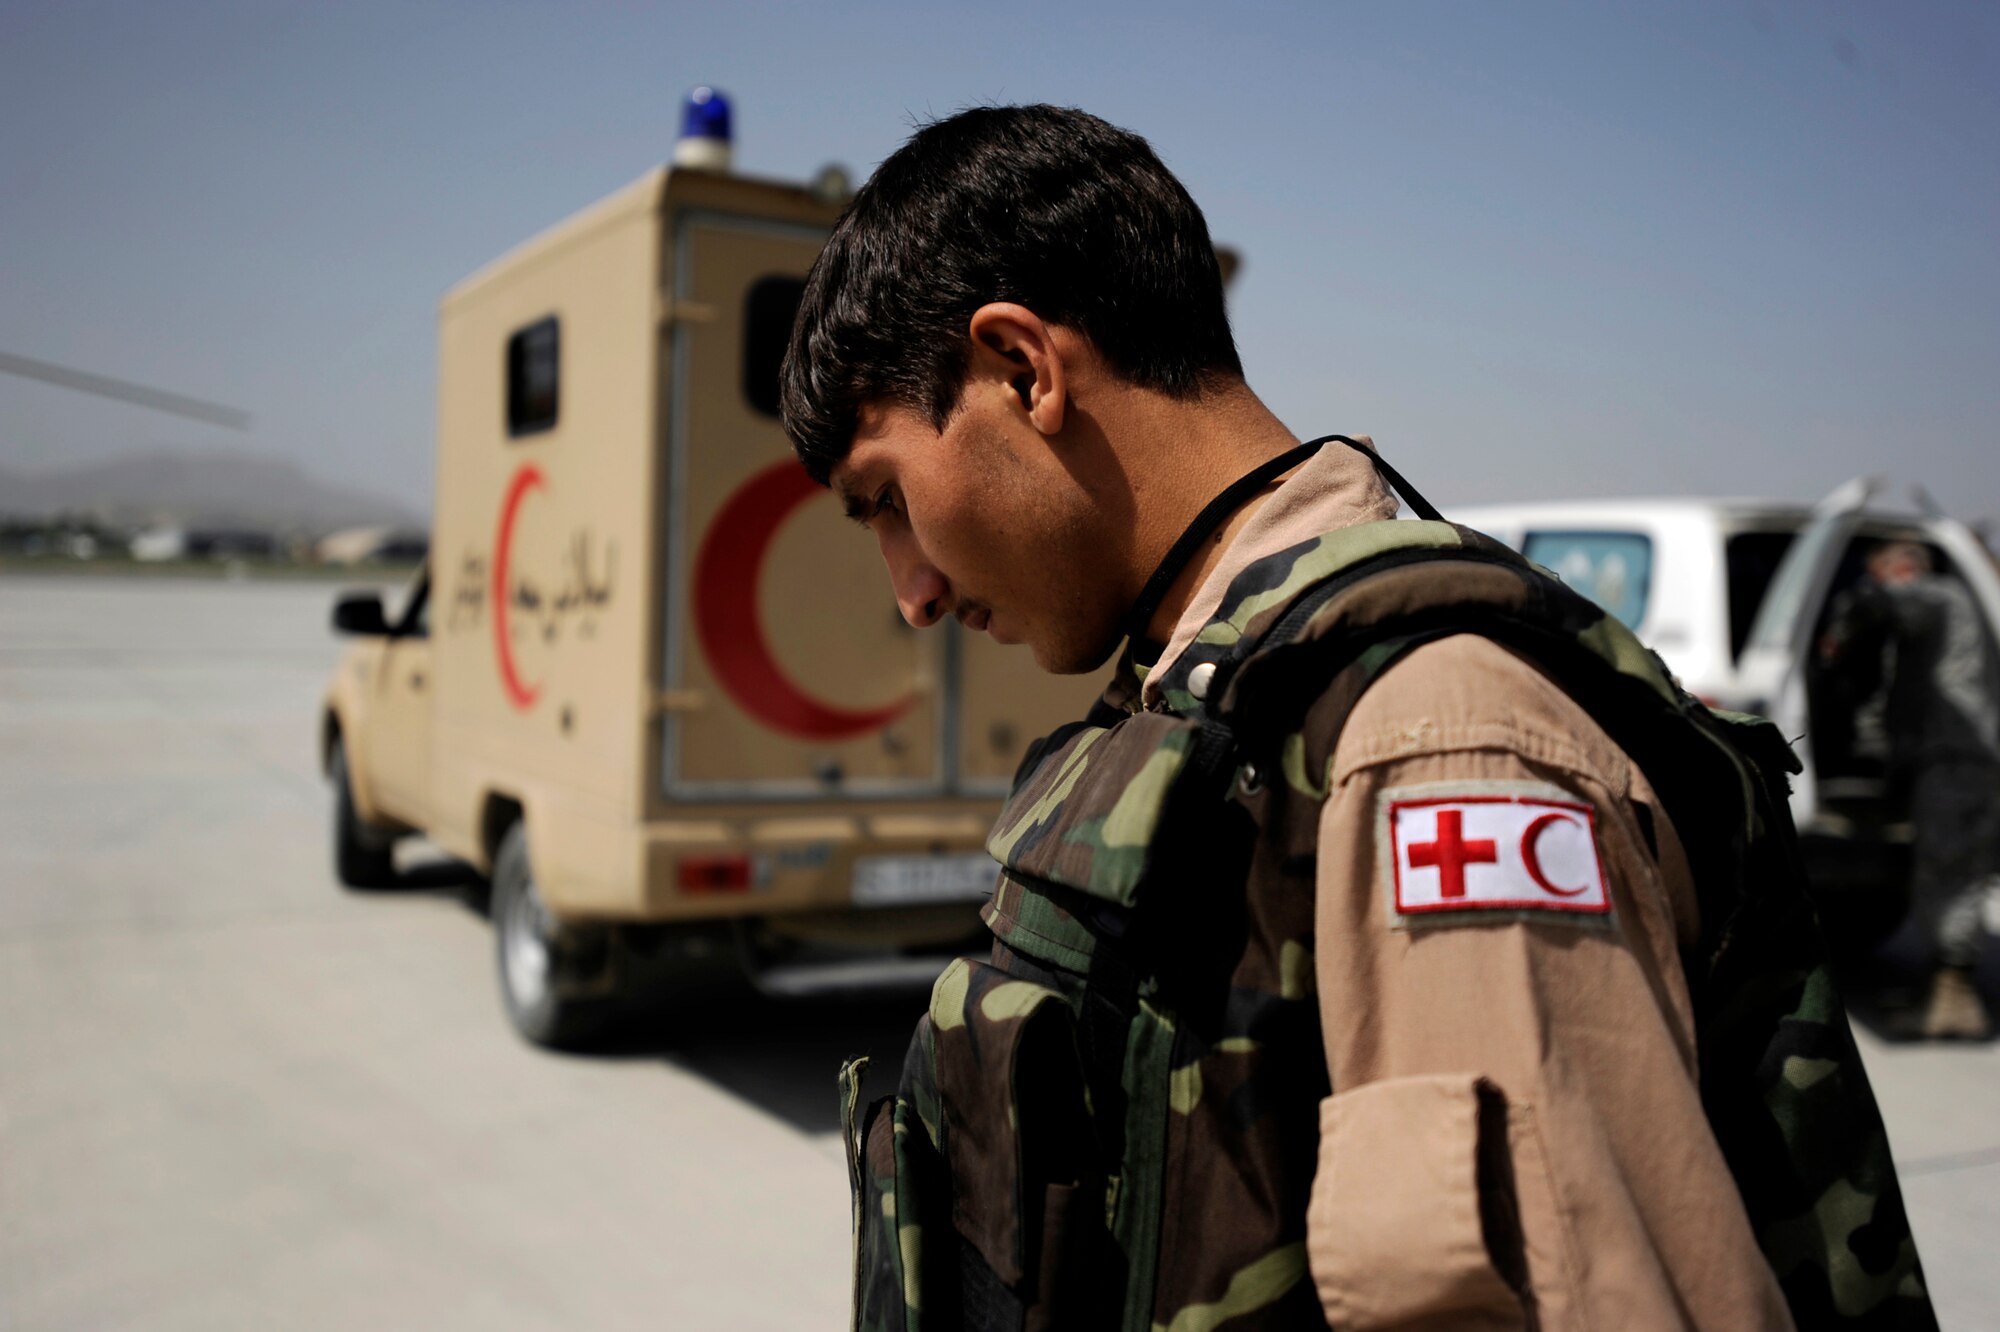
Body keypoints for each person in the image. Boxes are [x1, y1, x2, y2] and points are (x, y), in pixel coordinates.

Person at [784, 106, 1930, 1331]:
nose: (910, 592)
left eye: (887, 499)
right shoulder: (1218, 692)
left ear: (1023, 369)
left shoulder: (1430, 736)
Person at [1822, 540, 2000, 1039]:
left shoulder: (1940, 597)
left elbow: (1892, 604)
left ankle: (1955, 997)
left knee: (1951, 866)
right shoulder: (1941, 617)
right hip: (1942, 759)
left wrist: (1849, 622)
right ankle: (1940, 988)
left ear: (1902, 569)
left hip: (1959, 762)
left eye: (1884, 575)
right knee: (1940, 866)